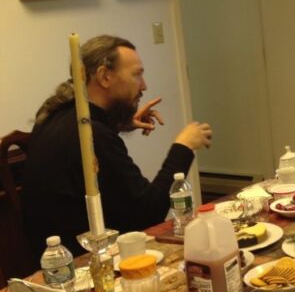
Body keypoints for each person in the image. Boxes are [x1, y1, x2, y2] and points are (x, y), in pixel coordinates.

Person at [23, 35, 212, 256]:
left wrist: (120, 124)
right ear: (104, 76)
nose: (144, 86)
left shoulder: (56, 117)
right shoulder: (95, 136)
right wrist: (184, 146)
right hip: (84, 265)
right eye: (137, 75)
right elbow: (149, 212)